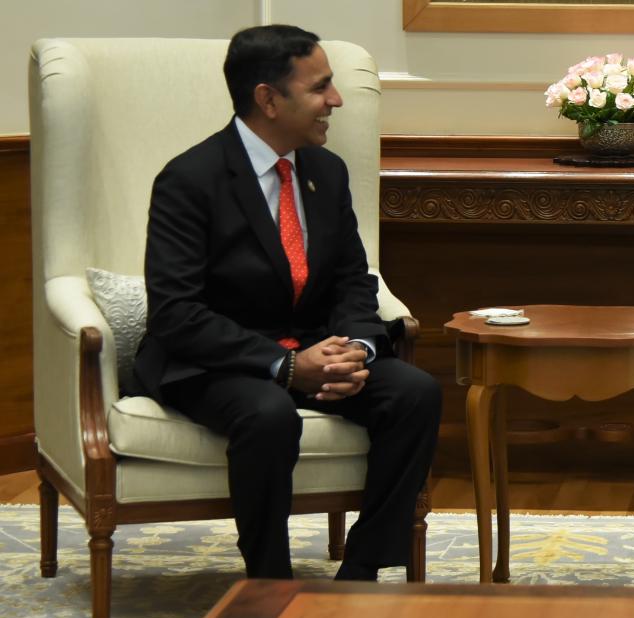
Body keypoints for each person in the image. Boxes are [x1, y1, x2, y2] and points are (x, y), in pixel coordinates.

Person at [133, 25, 441, 582]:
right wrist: (286, 366)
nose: (336, 100)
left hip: (314, 348)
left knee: (415, 393)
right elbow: (177, 313)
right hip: (218, 362)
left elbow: (352, 279)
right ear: (268, 99)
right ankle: (270, 583)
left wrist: (356, 349)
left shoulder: (326, 171)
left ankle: (361, 571)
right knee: (268, 414)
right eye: (320, 87)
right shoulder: (190, 180)